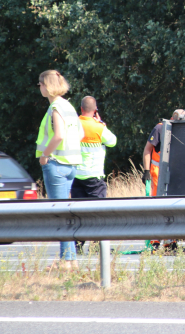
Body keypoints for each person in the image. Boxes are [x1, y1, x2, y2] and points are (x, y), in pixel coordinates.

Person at [36, 69, 83, 270]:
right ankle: (70, 260)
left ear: (47, 85)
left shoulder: (55, 106)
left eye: (40, 84)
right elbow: (80, 134)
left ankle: (66, 261)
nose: (39, 88)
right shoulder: (69, 106)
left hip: (56, 165)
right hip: (71, 165)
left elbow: (59, 135)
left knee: (61, 215)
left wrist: (45, 155)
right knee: (67, 213)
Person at [71, 95, 117, 252]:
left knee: (78, 214)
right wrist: (101, 123)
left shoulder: (73, 124)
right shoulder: (98, 127)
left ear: (81, 109)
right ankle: (97, 246)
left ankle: (77, 245)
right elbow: (112, 141)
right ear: (95, 110)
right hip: (94, 177)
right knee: (98, 214)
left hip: (76, 175)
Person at [142, 109, 185, 196]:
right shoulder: (160, 128)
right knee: (157, 201)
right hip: (158, 172)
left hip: (176, 173)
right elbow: (147, 150)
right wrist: (146, 172)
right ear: (171, 118)